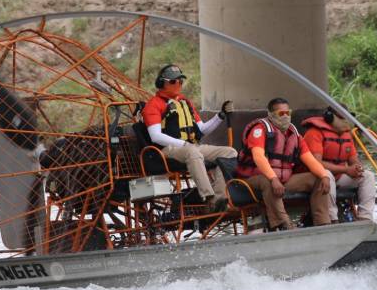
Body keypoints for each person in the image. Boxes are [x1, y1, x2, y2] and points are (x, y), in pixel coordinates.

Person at [141, 64, 237, 212]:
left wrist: (221, 115)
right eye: (173, 82)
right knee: (193, 152)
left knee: (229, 152)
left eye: (180, 81)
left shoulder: (185, 102)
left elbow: (202, 129)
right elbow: (156, 136)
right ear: (162, 83)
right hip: (168, 150)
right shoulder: (153, 105)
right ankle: (208, 198)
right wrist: (184, 144)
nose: (178, 85)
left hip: (192, 147)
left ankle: (220, 198)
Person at [235, 97, 333, 230]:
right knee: (268, 181)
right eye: (281, 114)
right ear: (271, 114)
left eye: (288, 113)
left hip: (283, 180)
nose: (286, 116)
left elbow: (310, 159)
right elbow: (259, 157)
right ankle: (284, 224)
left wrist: (324, 176)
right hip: (252, 180)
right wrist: (273, 178)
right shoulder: (260, 129)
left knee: (318, 178)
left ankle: (323, 223)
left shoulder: (294, 134)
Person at [302, 107, 375, 221]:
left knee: (368, 176)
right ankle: (332, 219)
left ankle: (365, 218)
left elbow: (353, 159)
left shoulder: (347, 135)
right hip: (317, 177)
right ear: (330, 117)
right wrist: (346, 170)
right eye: (342, 117)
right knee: (326, 174)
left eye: (347, 116)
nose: (346, 120)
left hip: (339, 177)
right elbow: (317, 163)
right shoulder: (314, 133)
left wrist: (357, 168)